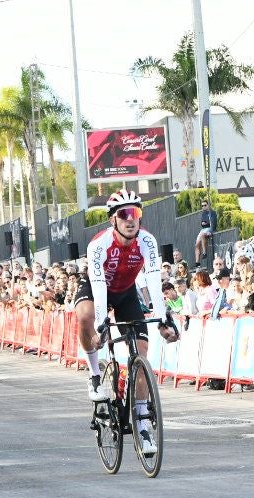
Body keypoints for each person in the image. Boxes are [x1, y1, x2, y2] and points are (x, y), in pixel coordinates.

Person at [76, 190, 178, 454]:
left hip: (126, 293)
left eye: (136, 213)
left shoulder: (147, 241)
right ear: (113, 220)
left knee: (142, 355)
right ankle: (95, 375)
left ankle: (142, 424)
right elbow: (99, 287)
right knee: (85, 316)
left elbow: (154, 281)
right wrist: (101, 325)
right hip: (97, 288)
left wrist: (163, 318)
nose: (131, 219)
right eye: (124, 214)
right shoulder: (99, 245)